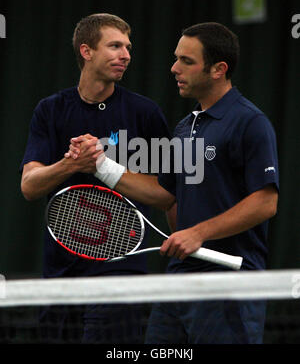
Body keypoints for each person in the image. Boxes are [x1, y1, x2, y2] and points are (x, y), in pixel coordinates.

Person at [66, 22, 279, 344]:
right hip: (178, 283)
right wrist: (99, 164)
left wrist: (199, 233)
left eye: (187, 61)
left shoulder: (250, 122)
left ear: (218, 69)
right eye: (176, 58)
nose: (174, 68)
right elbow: (165, 195)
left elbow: (265, 201)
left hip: (228, 285)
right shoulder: (184, 128)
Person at [20, 13, 171, 343]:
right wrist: (72, 163)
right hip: (59, 276)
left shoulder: (145, 114)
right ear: (86, 51)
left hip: (120, 273)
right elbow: (29, 186)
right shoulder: (51, 110)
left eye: (128, 47)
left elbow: (167, 194)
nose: (126, 54)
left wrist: (103, 166)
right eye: (115, 46)